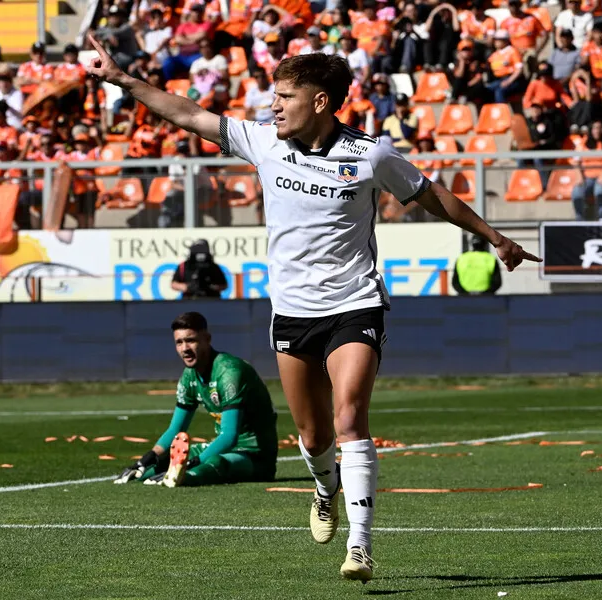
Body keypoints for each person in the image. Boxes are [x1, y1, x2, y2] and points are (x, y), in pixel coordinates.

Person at [86, 36, 539, 583]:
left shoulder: (371, 155)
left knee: (350, 418)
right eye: (273, 96)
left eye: (285, 97)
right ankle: (325, 489)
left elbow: (431, 194)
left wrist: (495, 237)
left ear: (320, 102)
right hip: (293, 314)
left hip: (355, 305)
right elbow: (187, 113)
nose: (273, 106)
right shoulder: (263, 142)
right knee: (315, 436)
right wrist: (123, 80)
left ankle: (361, 545)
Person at [114, 311, 278, 488]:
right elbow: (175, 429)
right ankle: (154, 474)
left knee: (214, 462)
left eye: (191, 340)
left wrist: (192, 464)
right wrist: (147, 459)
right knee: (163, 462)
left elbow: (229, 436)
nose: (185, 348)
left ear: (207, 339)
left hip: (254, 457)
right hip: (224, 450)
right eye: (179, 342)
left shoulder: (229, 372)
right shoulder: (189, 376)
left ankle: (184, 479)